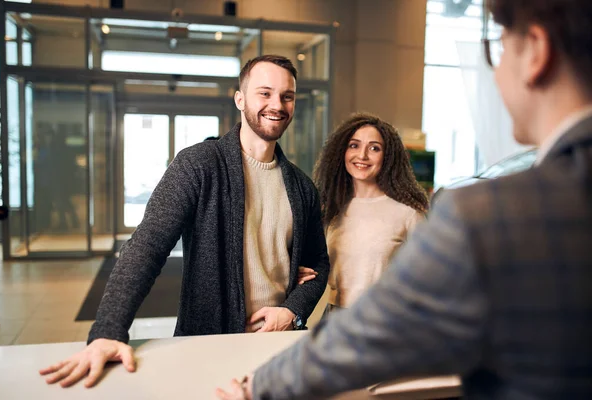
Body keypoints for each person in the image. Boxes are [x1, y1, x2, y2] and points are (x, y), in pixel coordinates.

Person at [217, 0, 592, 398]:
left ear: (535, 51)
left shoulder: (483, 216)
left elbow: (377, 332)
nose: (496, 74)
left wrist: (258, 387)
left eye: (497, 49)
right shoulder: (328, 206)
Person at [40, 54, 330, 388]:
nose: (276, 104)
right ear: (240, 99)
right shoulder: (198, 165)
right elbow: (147, 246)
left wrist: (291, 311)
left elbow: (318, 263)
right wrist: (107, 331)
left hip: (279, 346)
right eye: (264, 93)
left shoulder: (301, 185)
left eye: (286, 96)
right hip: (209, 343)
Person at [297, 113, 428, 313]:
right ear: (341, 151)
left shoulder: (408, 214)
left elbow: (429, 277)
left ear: (388, 156)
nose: (362, 156)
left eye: (374, 148)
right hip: (335, 317)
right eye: (354, 145)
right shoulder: (329, 210)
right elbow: (316, 265)